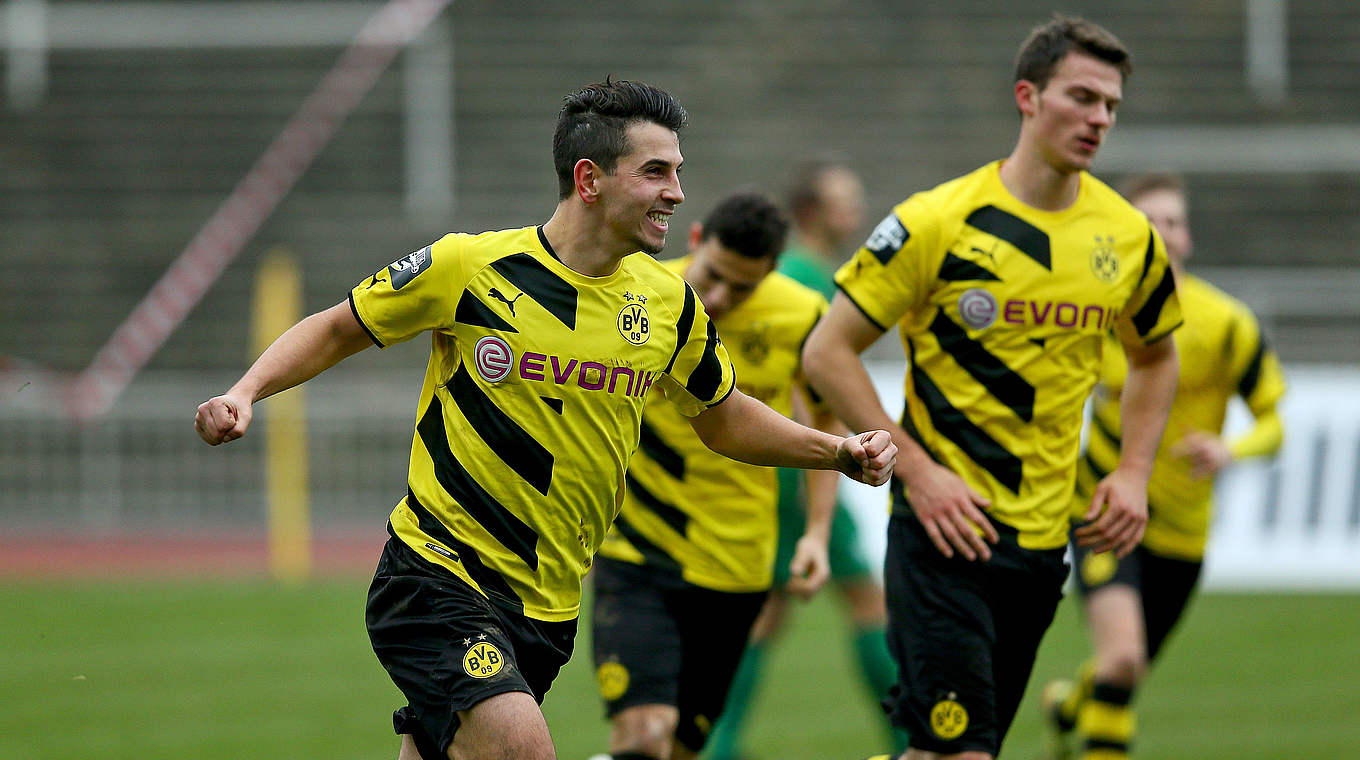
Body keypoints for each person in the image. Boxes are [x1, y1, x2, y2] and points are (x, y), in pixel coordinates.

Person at [193, 78, 897, 760]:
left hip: (550, 602)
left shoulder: (668, 302)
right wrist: (247, 390)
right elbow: (342, 327)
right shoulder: (470, 267)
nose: (676, 193)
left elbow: (722, 417)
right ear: (589, 179)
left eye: (679, 172)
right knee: (521, 748)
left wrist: (834, 452)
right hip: (439, 573)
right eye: (656, 172)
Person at [801, 16, 1184, 760]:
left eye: (1111, 105)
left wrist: (1134, 470)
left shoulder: (1128, 237)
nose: (1099, 118)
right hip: (940, 534)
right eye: (1082, 97)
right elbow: (827, 352)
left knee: (950, 750)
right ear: (1028, 97)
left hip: (1040, 542)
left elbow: (1155, 356)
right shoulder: (936, 221)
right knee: (960, 753)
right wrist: (918, 472)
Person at [1038, 173, 1287, 760]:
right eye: (1149, 220)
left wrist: (1233, 450)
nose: (1163, 232)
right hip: (1100, 507)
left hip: (1183, 527)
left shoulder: (1227, 323)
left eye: (1173, 221)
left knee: (1125, 671)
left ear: (1188, 237)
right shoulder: (1092, 314)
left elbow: (1275, 423)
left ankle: (1067, 705)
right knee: (1123, 659)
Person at [588, 189, 838, 760]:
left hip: (739, 565)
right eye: (713, 276)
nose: (721, 299)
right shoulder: (636, 295)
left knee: (679, 750)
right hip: (638, 556)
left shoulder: (801, 316)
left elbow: (826, 420)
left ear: (772, 274)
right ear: (695, 240)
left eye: (743, 287)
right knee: (643, 735)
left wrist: (817, 533)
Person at [706, 158, 909, 760]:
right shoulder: (805, 280)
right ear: (814, 211)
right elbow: (809, 385)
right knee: (864, 599)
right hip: (799, 471)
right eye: (846, 199)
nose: (858, 208)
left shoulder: (797, 273)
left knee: (767, 613)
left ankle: (719, 744)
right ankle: (907, 741)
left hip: (771, 472)